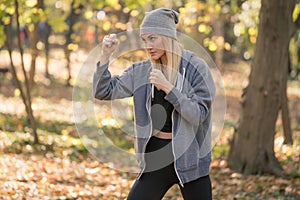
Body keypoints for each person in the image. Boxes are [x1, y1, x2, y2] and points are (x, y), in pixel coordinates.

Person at [93, 8, 215, 200]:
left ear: (167, 37)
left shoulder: (195, 68)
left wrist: (169, 89)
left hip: (191, 159)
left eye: (153, 38)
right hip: (156, 158)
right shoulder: (141, 71)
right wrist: (105, 55)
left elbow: (199, 115)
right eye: (144, 40)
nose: (148, 45)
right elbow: (103, 91)